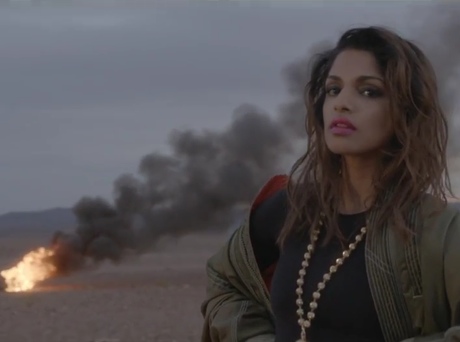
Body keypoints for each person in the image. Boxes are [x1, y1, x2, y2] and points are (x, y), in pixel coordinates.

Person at [200, 26, 460, 342]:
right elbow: (226, 282)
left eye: (369, 91)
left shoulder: (439, 230)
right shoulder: (290, 209)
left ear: (405, 111)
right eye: (333, 89)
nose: (342, 103)